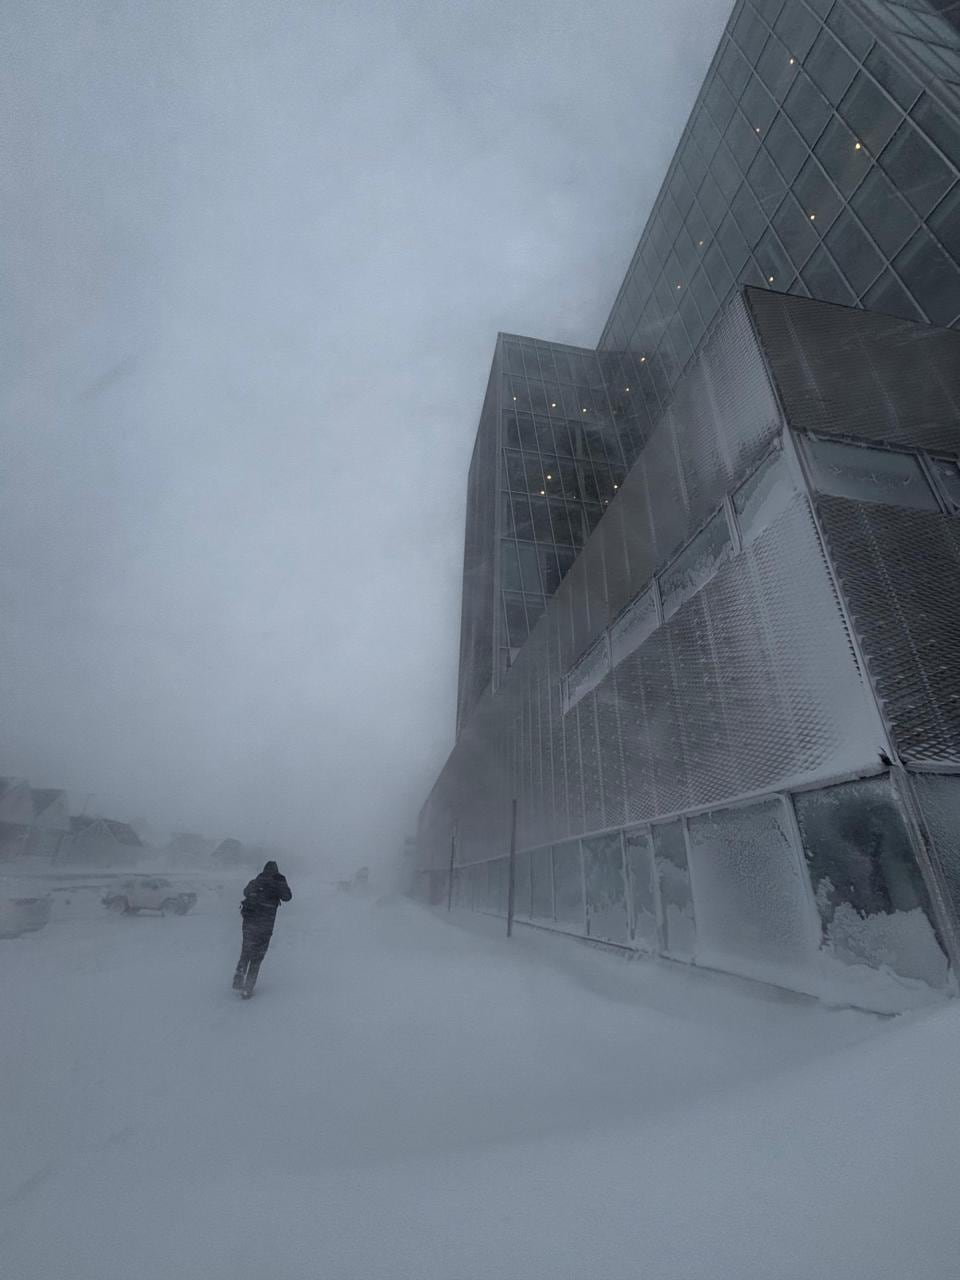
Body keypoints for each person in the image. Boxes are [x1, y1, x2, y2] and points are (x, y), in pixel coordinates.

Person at [233, 860, 292, 998]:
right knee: (257, 957)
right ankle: (248, 988)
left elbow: (245, 892)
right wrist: (281, 881)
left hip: (249, 924)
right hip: (265, 926)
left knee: (246, 951)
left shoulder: (256, 881)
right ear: (276, 871)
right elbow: (287, 897)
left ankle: (238, 979)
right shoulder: (278, 883)